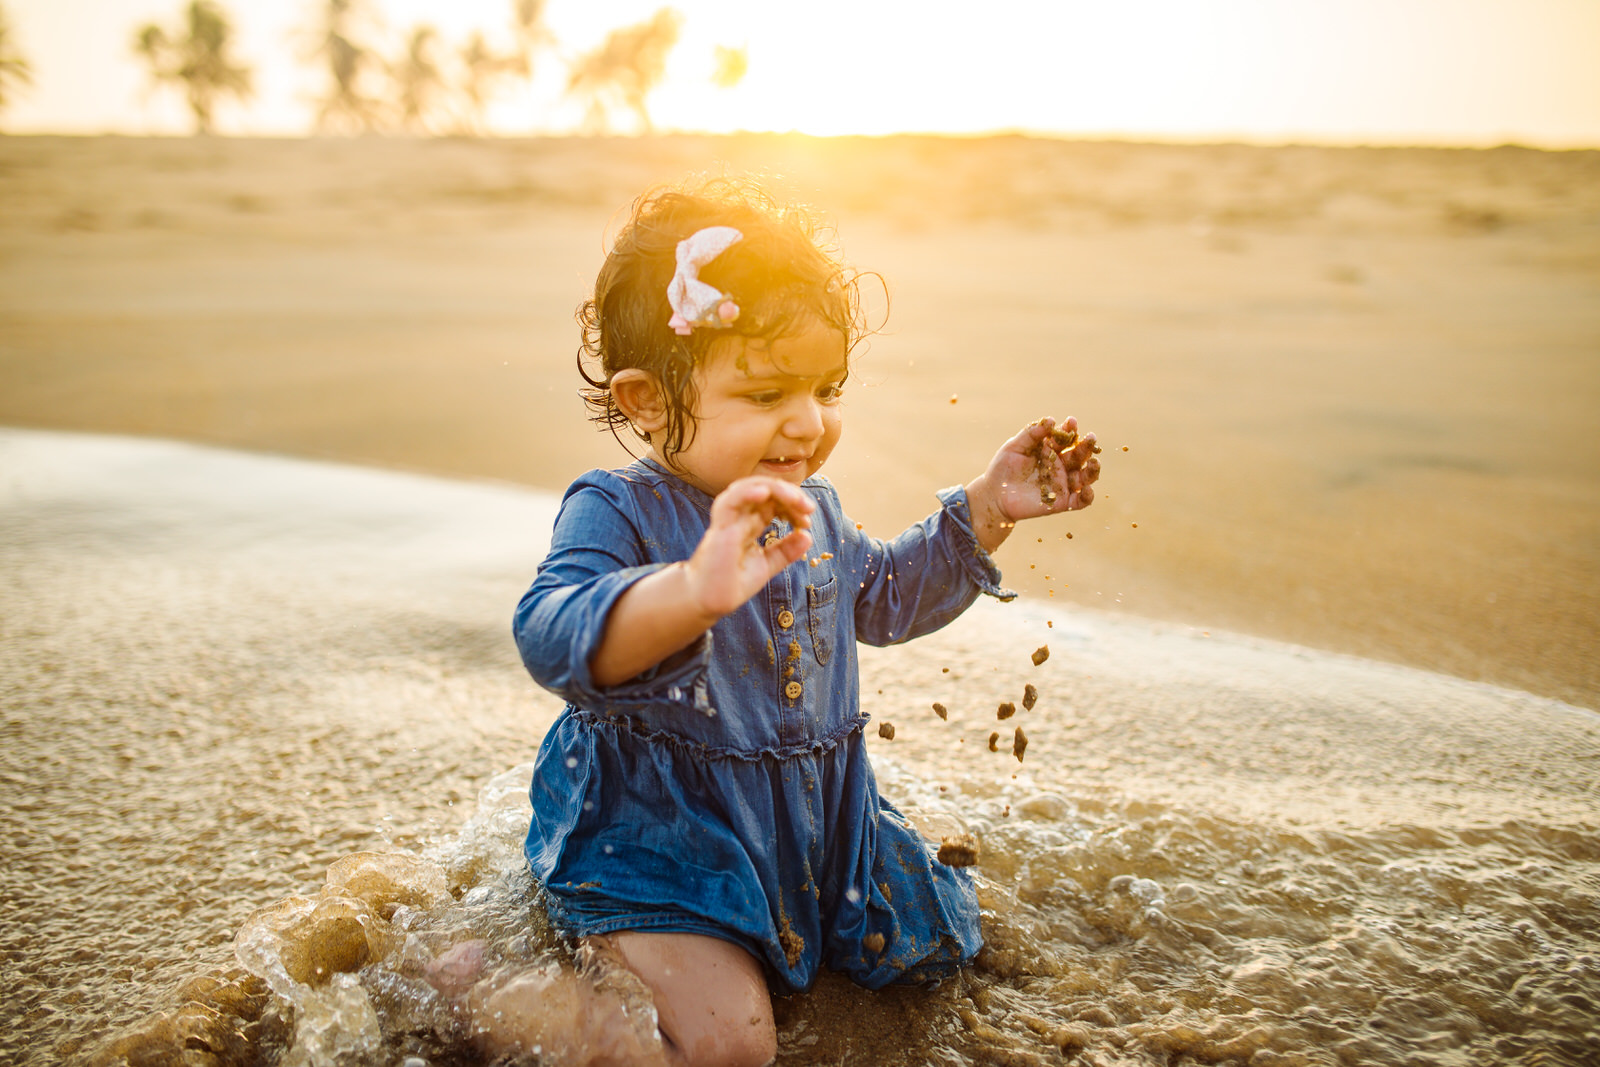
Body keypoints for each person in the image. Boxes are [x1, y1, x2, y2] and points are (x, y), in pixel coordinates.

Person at [505, 178, 1100, 1066]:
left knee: (944, 943)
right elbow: (549, 631)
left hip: (810, 822)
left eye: (826, 387)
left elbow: (885, 595)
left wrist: (985, 508)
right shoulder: (617, 508)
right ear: (646, 401)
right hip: (662, 836)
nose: (809, 421)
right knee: (729, 1044)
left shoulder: (811, 507)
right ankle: (489, 989)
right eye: (766, 392)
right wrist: (692, 589)